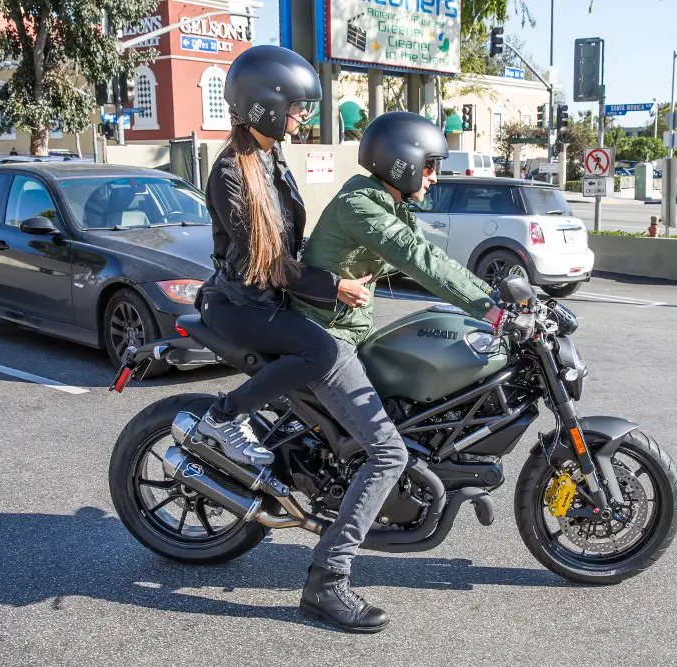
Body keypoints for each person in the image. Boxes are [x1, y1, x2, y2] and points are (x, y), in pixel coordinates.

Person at [290, 111, 534, 633]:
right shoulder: (361, 205)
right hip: (326, 341)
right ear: (399, 162)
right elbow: (417, 257)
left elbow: (427, 259)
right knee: (387, 451)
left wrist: (498, 295)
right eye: (427, 166)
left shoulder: (385, 204)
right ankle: (325, 580)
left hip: (346, 335)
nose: (433, 177)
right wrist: (489, 308)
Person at [194, 45, 372, 465]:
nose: (302, 115)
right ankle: (223, 416)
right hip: (240, 303)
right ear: (266, 105)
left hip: (268, 297)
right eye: (295, 106)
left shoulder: (270, 155)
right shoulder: (230, 173)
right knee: (321, 351)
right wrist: (334, 287)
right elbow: (270, 265)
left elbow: (291, 241)